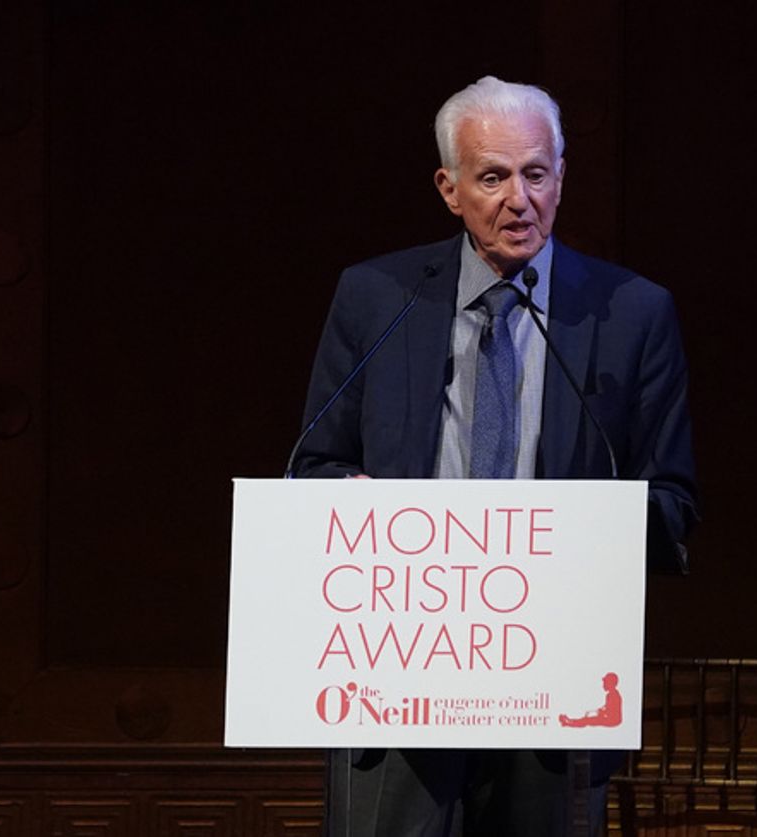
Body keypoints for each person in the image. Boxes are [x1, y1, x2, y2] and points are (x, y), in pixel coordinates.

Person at [295, 76, 698, 837]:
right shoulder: (375, 298)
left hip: (554, 681)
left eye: (536, 173)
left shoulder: (634, 312)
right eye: (493, 177)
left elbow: (674, 500)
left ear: (560, 175)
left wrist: (591, 524)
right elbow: (311, 466)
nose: (520, 198)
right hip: (400, 673)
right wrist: (352, 498)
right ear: (450, 189)